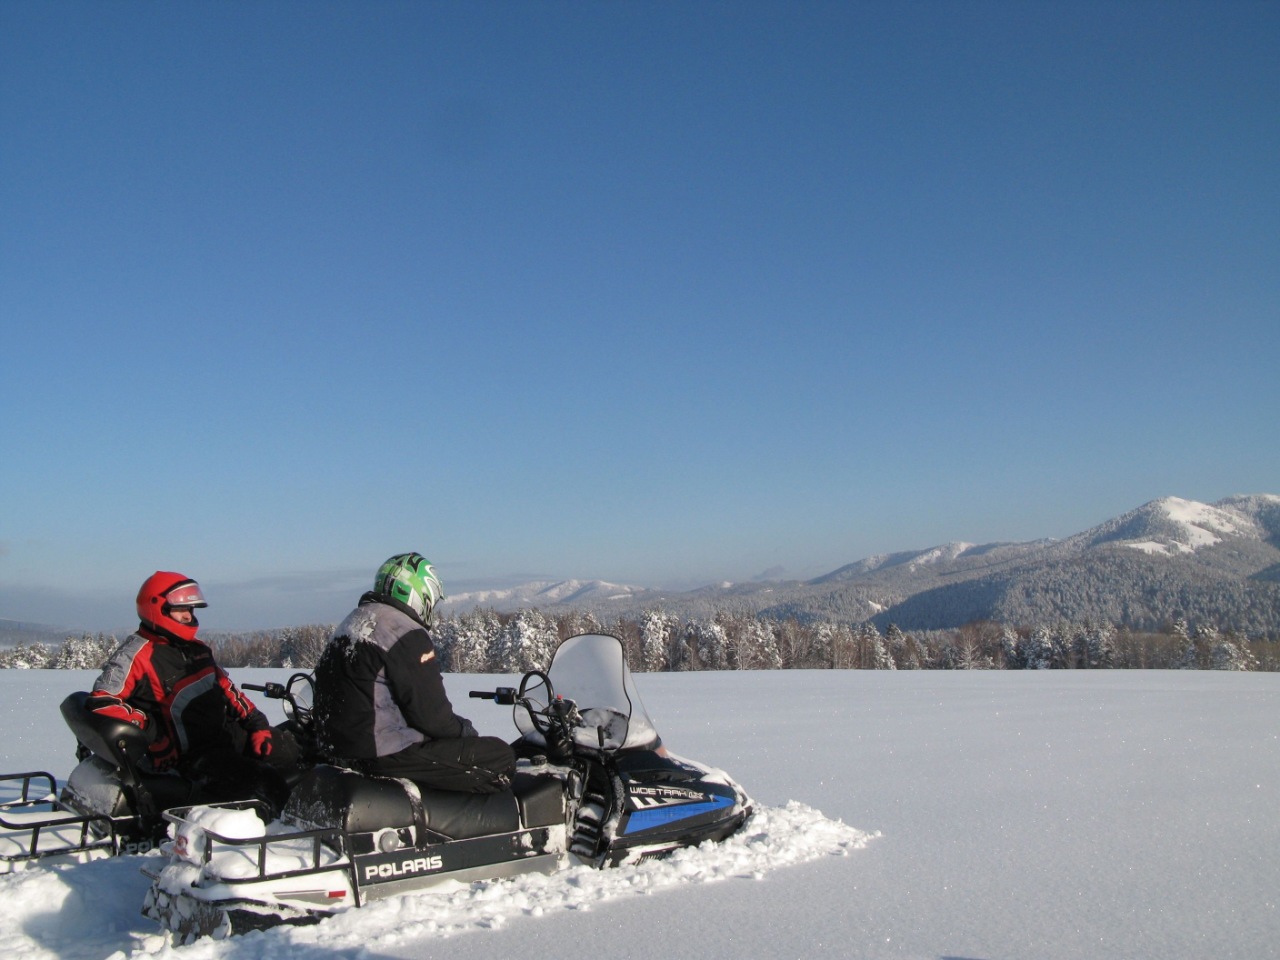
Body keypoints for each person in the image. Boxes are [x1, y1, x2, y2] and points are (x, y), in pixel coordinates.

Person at [87, 571, 293, 813]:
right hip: (191, 758)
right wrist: (152, 734)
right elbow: (102, 703)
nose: (188, 615)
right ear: (158, 608)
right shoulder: (135, 655)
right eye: (181, 609)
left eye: (191, 609)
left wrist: (256, 724)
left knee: (293, 752)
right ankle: (280, 830)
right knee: (269, 784)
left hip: (224, 737)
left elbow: (228, 689)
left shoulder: (197, 649)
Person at [313, 553, 515, 793]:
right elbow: (432, 716)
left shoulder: (353, 622)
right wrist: (464, 731)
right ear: (420, 594)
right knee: (500, 756)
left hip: (338, 749)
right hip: (381, 754)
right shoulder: (404, 632)